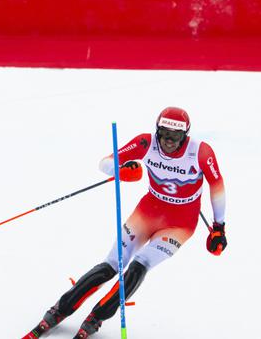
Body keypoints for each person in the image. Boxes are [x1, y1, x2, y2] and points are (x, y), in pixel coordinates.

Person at [23, 106, 227, 339]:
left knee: (140, 264)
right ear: (157, 130)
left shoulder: (200, 152)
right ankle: (59, 310)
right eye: (164, 134)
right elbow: (105, 162)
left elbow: (217, 186)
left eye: (176, 136)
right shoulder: (145, 143)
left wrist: (218, 228)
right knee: (112, 264)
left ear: (185, 135)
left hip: (180, 223)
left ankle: (97, 317)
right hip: (149, 211)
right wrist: (120, 169)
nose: (169, 141)